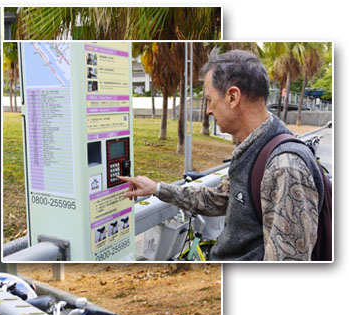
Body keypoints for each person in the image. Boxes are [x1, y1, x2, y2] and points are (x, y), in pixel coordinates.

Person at [120, 50, 323, 261]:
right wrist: (158, 189)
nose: (208, 110)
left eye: (209, 99)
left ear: (233, 97)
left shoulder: (285, 166)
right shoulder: (254, 148)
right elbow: (219, 199)